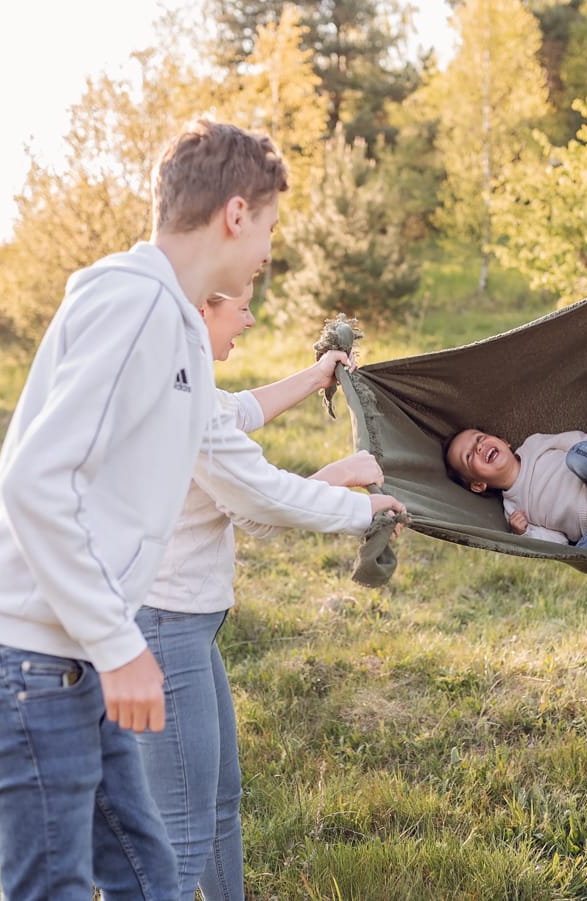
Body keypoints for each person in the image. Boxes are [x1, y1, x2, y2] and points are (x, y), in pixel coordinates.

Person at [0, 120, 289, 901]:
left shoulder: (177, 321)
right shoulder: (135, 304)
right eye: (269, 226)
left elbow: (222, 434)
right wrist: (121, 646)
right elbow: (37, 483)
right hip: (27, 657)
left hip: (76, 651)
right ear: (236, 214)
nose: (268, 250)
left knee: (147, 875)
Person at [134, 281, 402, 901]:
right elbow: (259, 506)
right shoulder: (177, 394)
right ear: (203, 308)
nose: (251, 320)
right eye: (243, 307)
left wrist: (316, 376)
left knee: (219, 800)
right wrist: (355, 500)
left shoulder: (185, 381)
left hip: (189, 626)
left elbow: (239, 413)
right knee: (182, 827)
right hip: (162, 629)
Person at [443, 426, 587, 552]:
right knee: (583, 552)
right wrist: (525, 534)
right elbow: (559, 543)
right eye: (469, 456)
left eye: (479, 438)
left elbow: (584, 441)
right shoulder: (513, 511)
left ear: (503, 441)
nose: (479, 447)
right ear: (478, 484)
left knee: (577, 454)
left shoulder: (534, 444)